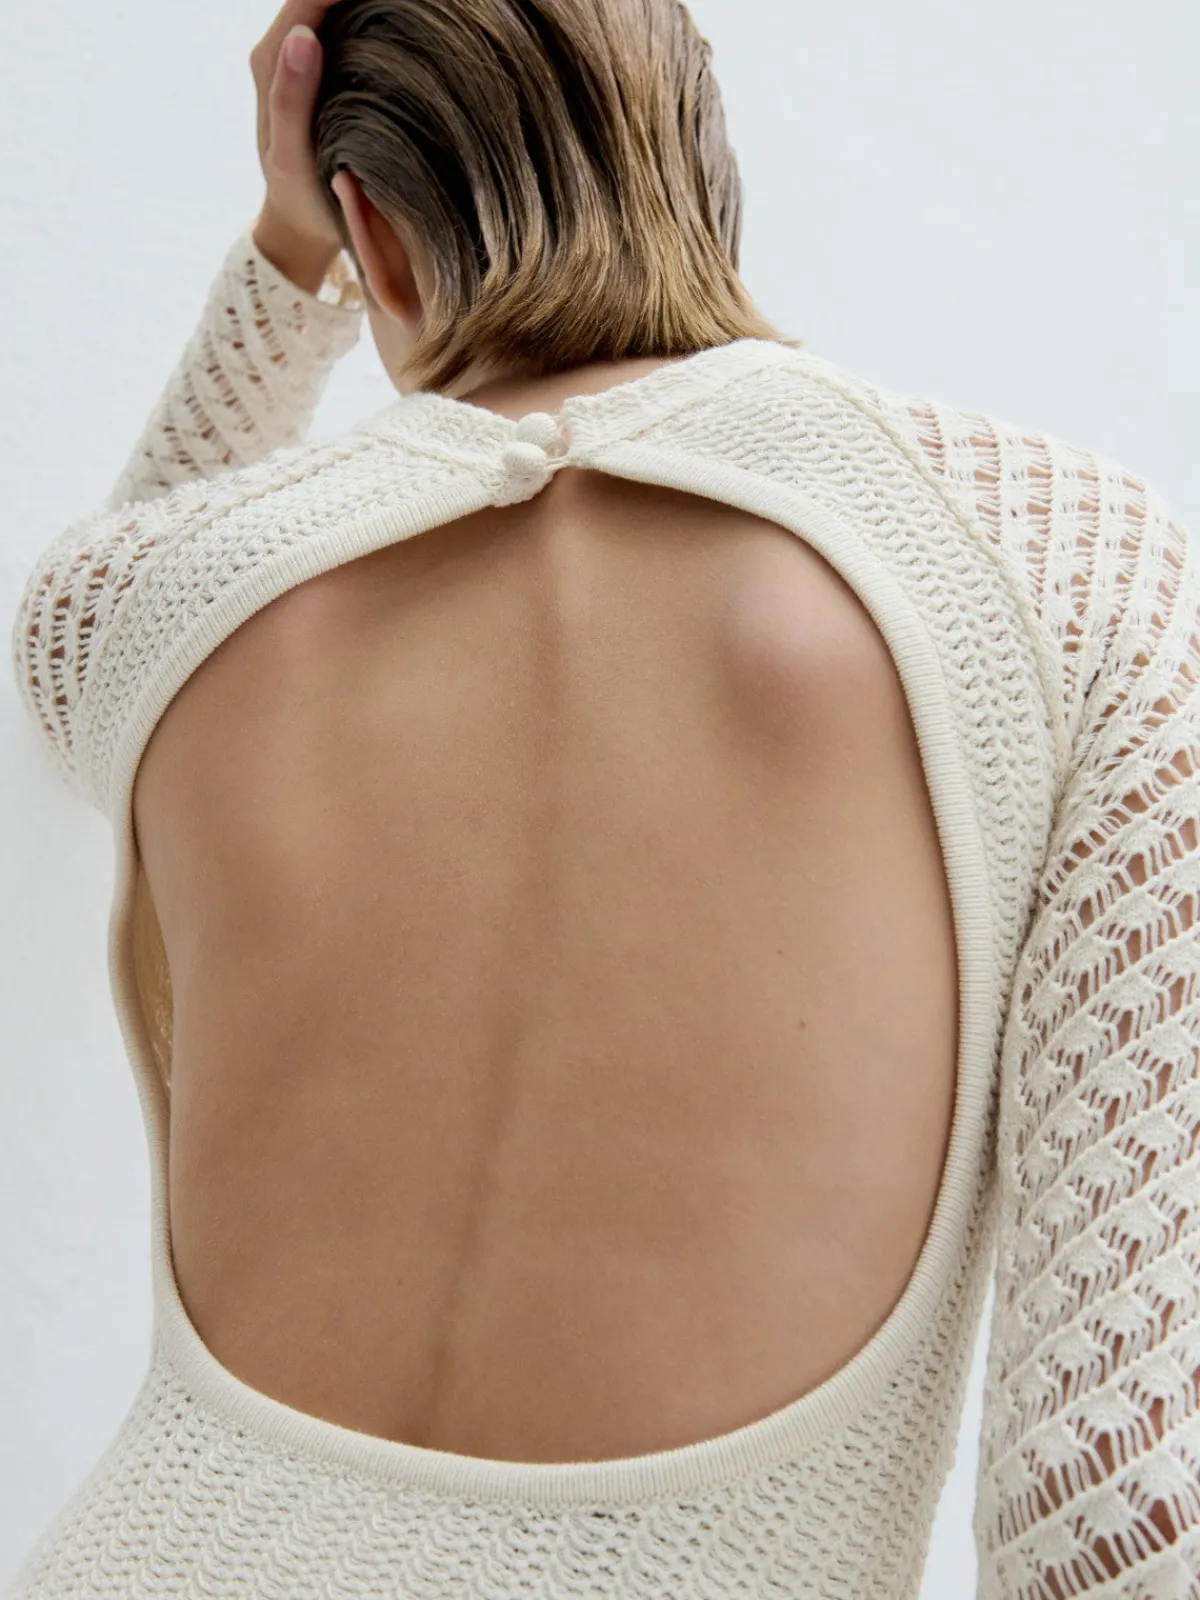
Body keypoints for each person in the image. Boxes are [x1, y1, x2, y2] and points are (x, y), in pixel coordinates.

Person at [7, 1, 1199, 1595]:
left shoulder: (166, 606)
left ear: (373, 227)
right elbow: (1110, 1494)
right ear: (703, 164)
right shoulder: (1067, 565)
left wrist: (291, 261)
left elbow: (111, 617)